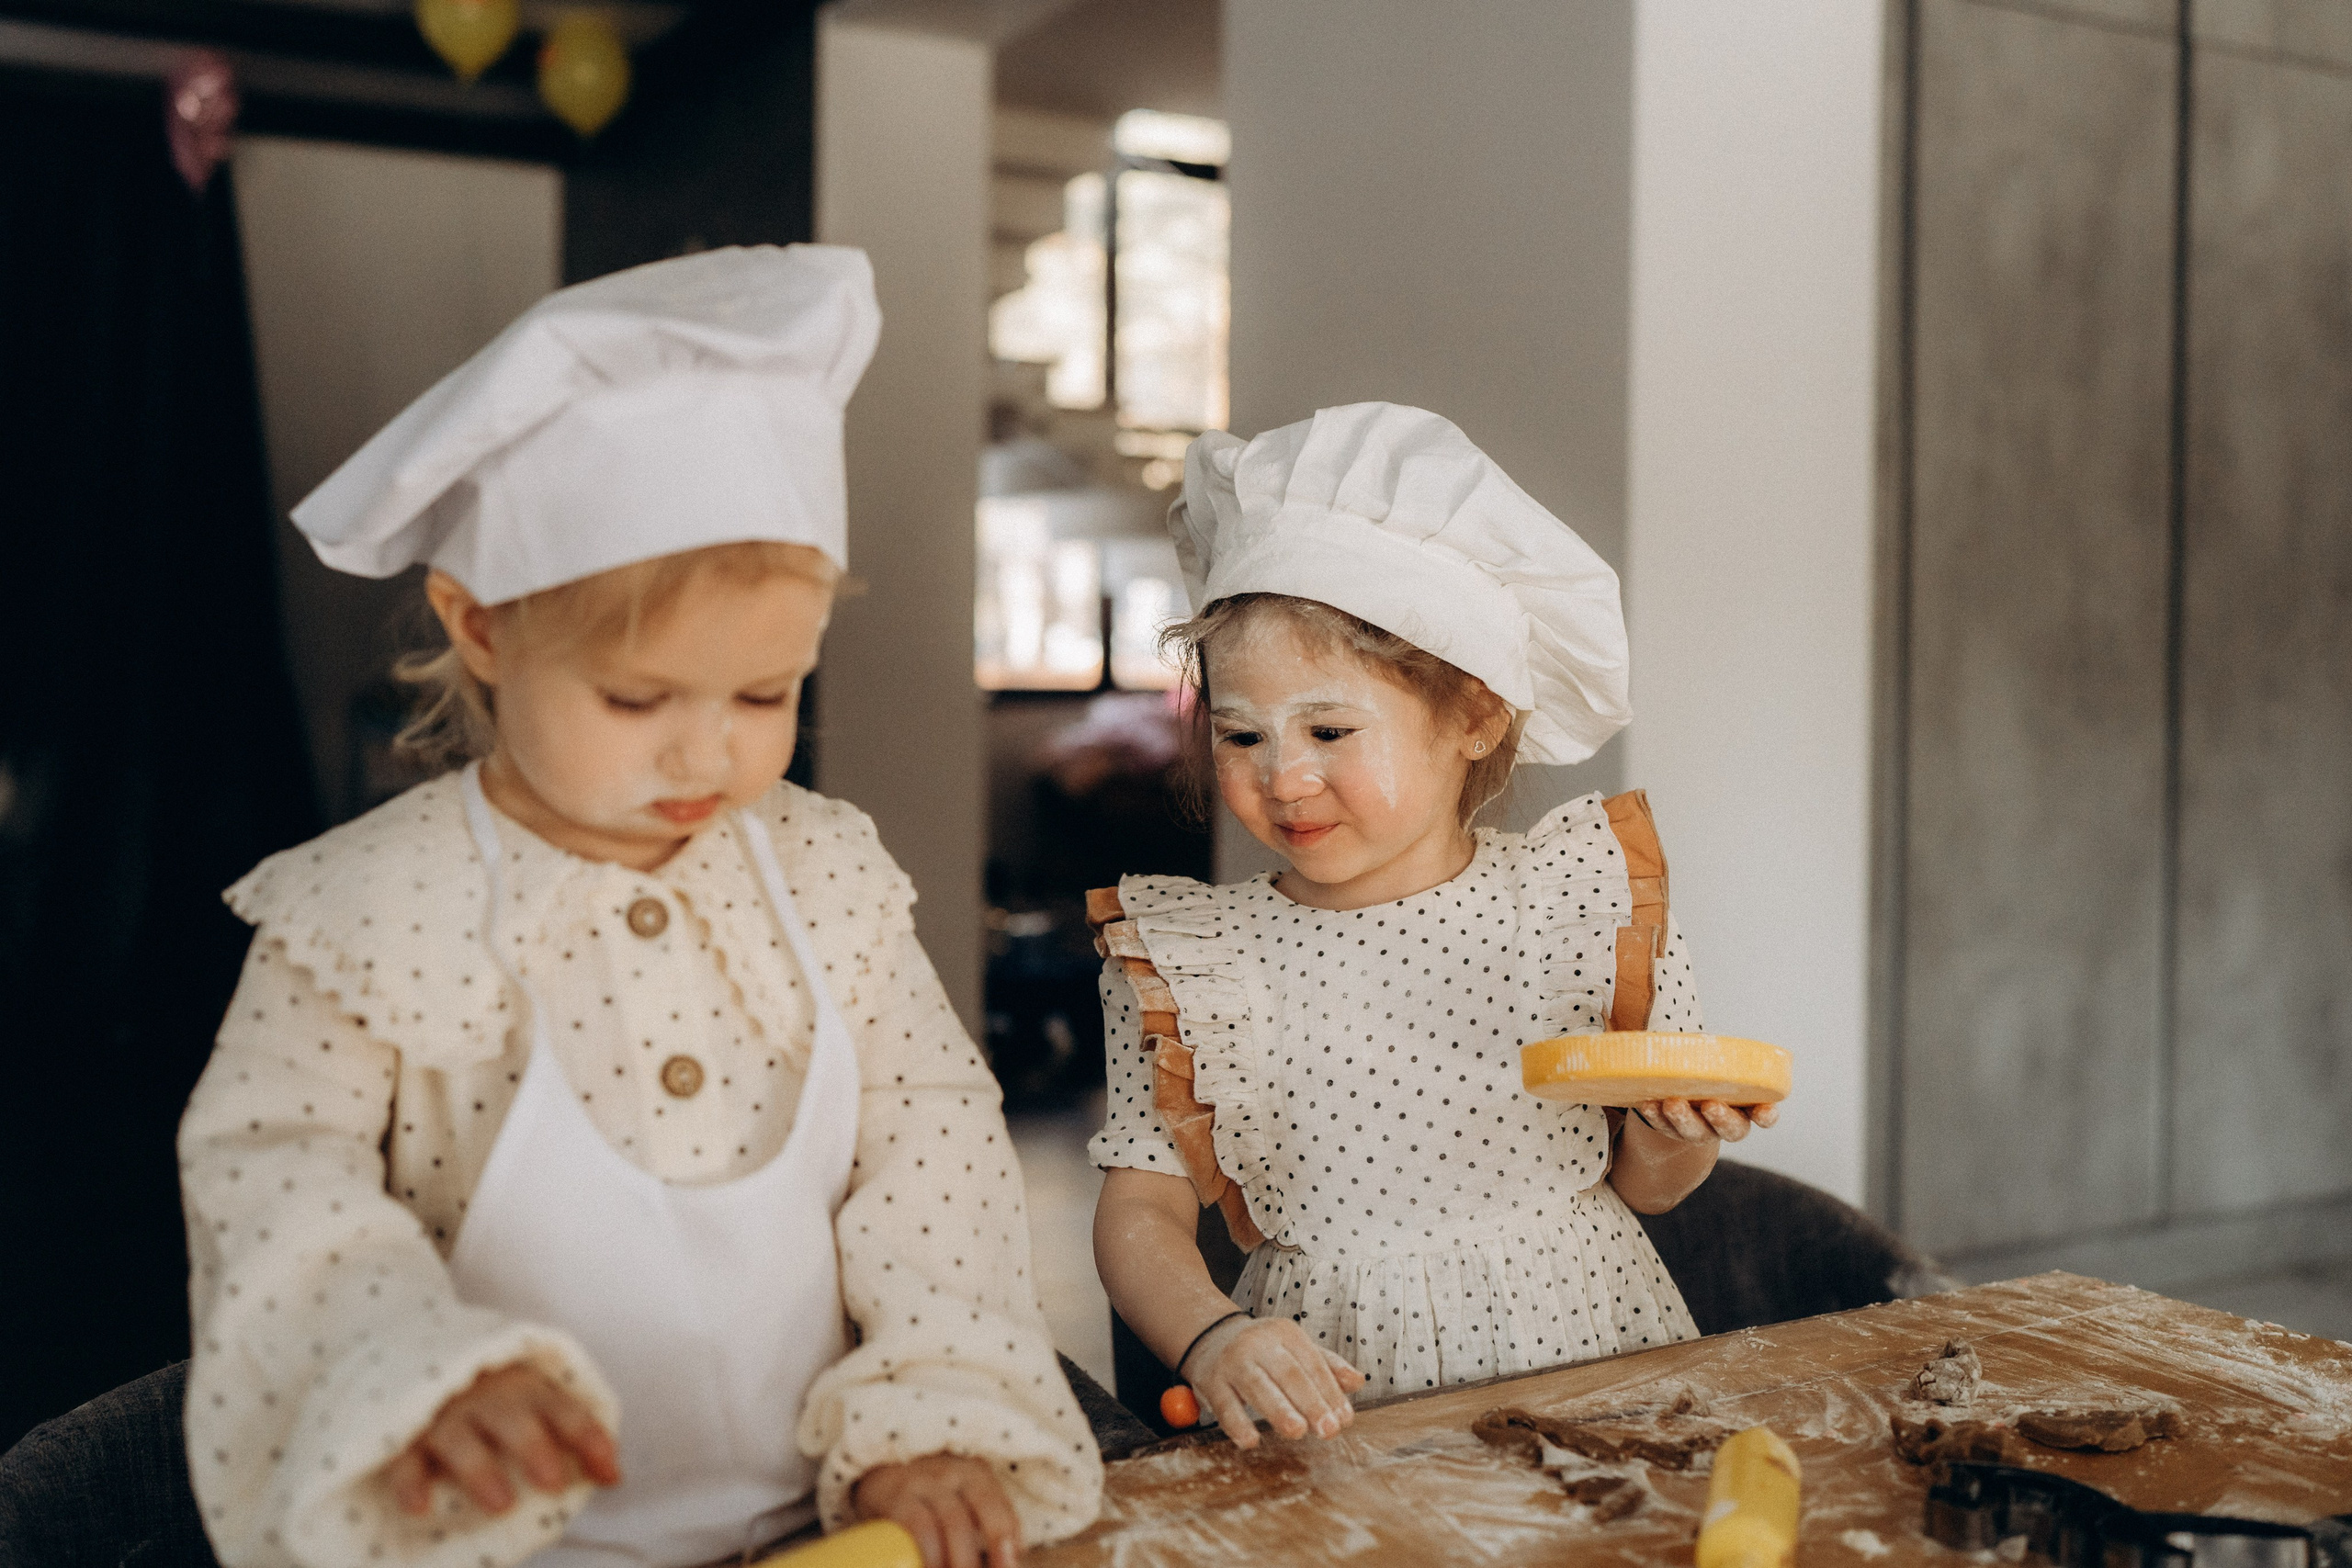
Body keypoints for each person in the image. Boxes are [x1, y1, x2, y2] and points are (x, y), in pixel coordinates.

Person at [178, 246, 1100, 1568]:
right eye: (636, 697)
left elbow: (931, 1148)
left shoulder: (828, 877)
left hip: (834, 1525)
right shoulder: (364, 913)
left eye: (765, 693)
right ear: (483, 627)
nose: (707, 756)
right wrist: (414, 1374)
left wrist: (929, 1411)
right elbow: (270, 1175)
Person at [1089, 403, 1779, 1450]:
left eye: (1328, 728)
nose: (1284, 776)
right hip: (1339, 1393)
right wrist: (1212, 1336)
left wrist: (1673, 1132)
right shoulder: (1196, 961)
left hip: (1587, 1361)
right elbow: (1139, 1215)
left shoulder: (1576, 902)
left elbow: (1646, 1185)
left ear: (1472, 715)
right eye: (1240, 734)